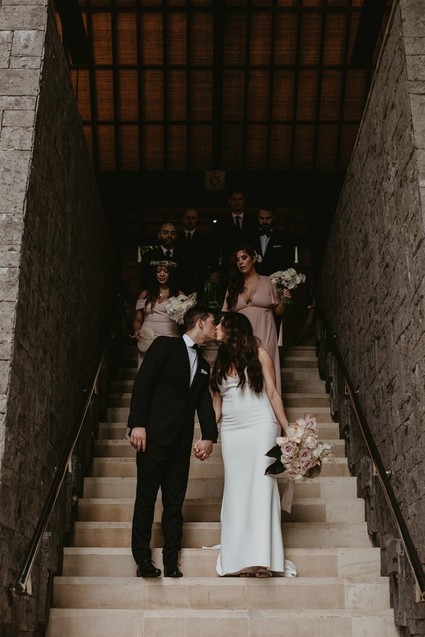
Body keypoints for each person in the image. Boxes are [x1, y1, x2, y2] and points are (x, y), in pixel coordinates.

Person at [128, 306, 218, 579]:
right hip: (153, 436)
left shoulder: (204, 366)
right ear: (200, 323)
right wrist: (138, 424)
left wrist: (209, 436)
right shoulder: (165, 346)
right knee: (146, 499)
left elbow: (203, 403)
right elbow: (143, 383)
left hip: (180, 442)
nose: (215, 329)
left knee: (174, 503)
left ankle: (171, 562)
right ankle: (143, 559)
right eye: (213, 323)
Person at [211, 312, 297, 578]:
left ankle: (263, 559)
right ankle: (241, 558)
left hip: (260, 424)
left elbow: (272, 393)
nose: (216, 327)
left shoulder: (260, 355)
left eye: (221, 324)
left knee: (262, 487)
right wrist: (208, 434)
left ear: (233, 330)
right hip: (232, 430)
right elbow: (217, 404)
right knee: (236, 489)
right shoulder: (219, 360)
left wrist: (288, 430)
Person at [222, 244, 289, 391]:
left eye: (244, 258)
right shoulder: (233, 287)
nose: (240, 262)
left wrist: (284, 299)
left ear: (254, 259)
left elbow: (278, 311)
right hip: (242, 337)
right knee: (244, 374)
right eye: (237, 260)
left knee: (267, 372)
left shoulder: (268, 282)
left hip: (266, 333)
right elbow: (227, 316)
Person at [132, 260, 183, 370]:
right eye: (158, 271)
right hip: (147, 340)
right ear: (153, 273)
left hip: (169, 340)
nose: (162, 274)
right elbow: (137, 319)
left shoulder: (179, 295)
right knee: (146, 374)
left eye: (166, 271)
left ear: (171, 274)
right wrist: (137, 330)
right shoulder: (145, 294)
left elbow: (184, 321)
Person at [209, 189, 257, 299]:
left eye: (240, 199)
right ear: (229, 201)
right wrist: (214, 269)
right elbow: (215, 247)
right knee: (227, 297)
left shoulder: (252, 221)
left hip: (248, 266)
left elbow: (255, 244)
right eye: (234, 199)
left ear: (244, 201)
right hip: (227, 267)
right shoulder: (221, 222)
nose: (237, 202)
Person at [175, 207, 210, 296]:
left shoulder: (204, 239)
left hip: (198, 281)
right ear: (183, 218)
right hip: (178, 281)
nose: (190, 220)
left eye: (193, 218)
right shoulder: (176, 238)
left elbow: (207, 259)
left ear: (197, 219)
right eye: (187, 217)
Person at [139, 222, 184, 290]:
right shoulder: (149, 255)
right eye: (165, 233)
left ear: (176, 236)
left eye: (172, 233)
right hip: (154, 293)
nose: (169, 235)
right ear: (159, 235)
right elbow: (144, 278)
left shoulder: (183, 256)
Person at [252, 207, 295, 276]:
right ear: (257, 217)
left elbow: (289, 263)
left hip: (276, 280)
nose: (264, 221)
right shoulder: (250, 237)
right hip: (254, 279)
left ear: (274, 218)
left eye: (268, 218)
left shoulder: (284, 238)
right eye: (261, 218)